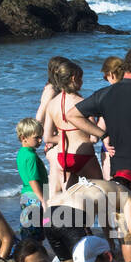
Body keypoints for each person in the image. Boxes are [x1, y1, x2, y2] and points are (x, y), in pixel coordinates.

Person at [67, 46, 131, 259]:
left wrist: (101, 134)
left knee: (127, 234)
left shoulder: (106, 93)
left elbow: (72, 115)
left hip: (119, 177)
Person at [43, 169, 131, 262]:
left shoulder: (99, 186)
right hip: (70, 218)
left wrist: (110, 246)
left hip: (47, 218)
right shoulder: (126, 193)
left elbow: (102, 223)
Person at [43, 60, 104, 198]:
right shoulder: (82, 103)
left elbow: (47, 137)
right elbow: (94, 137)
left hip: (62, 156)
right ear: (73, 78)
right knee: (101, 195)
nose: (82, 82)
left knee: (70, 200)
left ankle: (67, 219)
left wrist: (64, 136)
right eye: (81, 78)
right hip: (84, 155)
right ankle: (102, 220)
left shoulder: (52, 104)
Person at [15, 117, 49, 229]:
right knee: (37, 233)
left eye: (41, 137)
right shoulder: (31, 156)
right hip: (35, 197)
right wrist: (43, 200)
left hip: (26, 196)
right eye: (37, 137)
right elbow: (33, 181)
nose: (40, 140)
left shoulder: (22, 153)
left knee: (28, 230)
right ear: (23, 138)